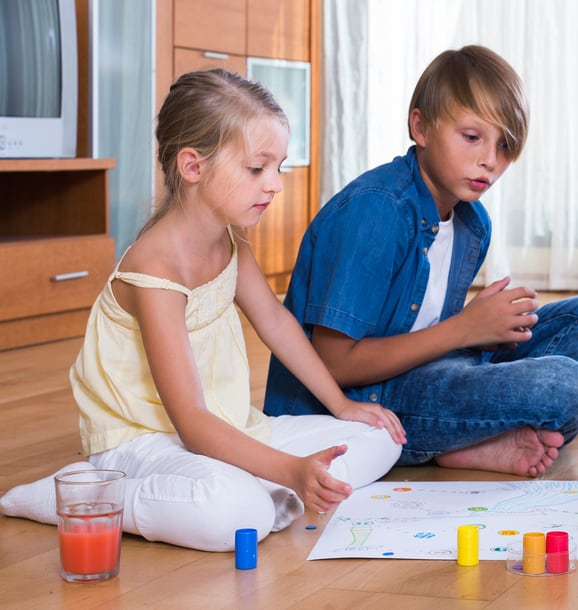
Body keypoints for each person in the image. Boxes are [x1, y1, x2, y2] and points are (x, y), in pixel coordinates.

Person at [0, 69, 406, 552]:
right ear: (192, 166)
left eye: (278, 167)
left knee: (381, 436)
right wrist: (290, 471)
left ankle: (267, 488)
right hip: (144, 442)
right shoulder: (155, 270)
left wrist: (342, 406)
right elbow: (189, 419)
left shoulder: (232, 240)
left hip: (227, 425)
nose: (274, 185)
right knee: (237, 515)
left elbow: (275, 322)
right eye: (257, 169)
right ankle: (85, 493)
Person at [263, 45, 578, 478]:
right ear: (421, 127)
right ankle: (481, 433)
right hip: (358, 402)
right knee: (569, 388)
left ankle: (487, 428)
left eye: (504, 145)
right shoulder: (377, 211)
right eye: (472, 137)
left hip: (425, 372)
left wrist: (485, 335)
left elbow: (431, 337)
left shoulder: (473, 222)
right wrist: (467, 329)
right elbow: (334, 363)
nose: (490, 160)